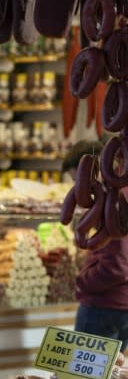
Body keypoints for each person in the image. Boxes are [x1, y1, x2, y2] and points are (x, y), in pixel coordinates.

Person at [62, 141, 128, 351]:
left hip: (104, 306)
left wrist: (83, 282)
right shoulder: (116, 195)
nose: (82, 191)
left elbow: (117, 267)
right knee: (110, 378)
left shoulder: (114, 200)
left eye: (80, 181)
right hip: (121, 304)